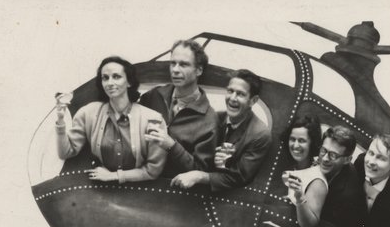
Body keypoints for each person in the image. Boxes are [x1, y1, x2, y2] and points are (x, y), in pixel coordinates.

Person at [56, 56, 167, 183]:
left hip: (140, 191)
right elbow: (66, 152)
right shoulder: (88, 113)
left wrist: (114, 176)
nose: (109, 83)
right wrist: (60, 121)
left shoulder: (153, 120)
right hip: (102, 191)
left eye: (116, 77)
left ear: (129, 82)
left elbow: (153, 171)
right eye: (105, 78)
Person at [169, 69, 271, 192]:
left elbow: (239, 178)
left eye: (240, 94)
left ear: (253, 101)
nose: (232, 98)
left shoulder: (260, 134)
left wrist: (200, 176)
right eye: (230, 91)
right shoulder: (214, 117)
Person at [139, 39, 218, 177]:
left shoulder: (210, 120)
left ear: (199, 70)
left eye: (183, 64)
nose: (175, 70)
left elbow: (200, 171)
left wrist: (171, 145)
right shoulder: (153, 96)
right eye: (172, 63)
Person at [280, 115, 326, 227]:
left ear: (312, 143)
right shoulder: (294, 166)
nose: (295, 146)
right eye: (292, 139)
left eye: (302, 141)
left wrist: (300, 199)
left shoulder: (317, 181)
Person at [318, 126, 365, 227]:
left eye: (333, 155)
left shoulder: (348, 197)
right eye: (323, 151)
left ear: (347, 160)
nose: (325, 158)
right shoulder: (328, 166)